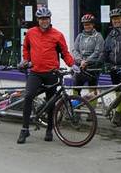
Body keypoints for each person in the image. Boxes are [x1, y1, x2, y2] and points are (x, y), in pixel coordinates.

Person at [17, 7, 77, 144]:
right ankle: (24, 129)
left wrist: (72, 64)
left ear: (50, 19)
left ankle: (49, 130)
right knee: (28, 96)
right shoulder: (31, 33)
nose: (44, 21)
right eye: (41, 19)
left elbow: (65, 53)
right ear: (38, 20)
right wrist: (26, 59)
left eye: (46, 18)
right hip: (35, 72)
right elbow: (25, 47)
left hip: (51, 73)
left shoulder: (57, 35)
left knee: (51, 102)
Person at [72, 14, 104, 108]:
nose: (87, 26)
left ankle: (92, 110)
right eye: (85, 24)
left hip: (93, 67)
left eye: (89, 24)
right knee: (76, 88)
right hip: (80, 67)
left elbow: (98, 52)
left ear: (93, 24)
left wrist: (87, 61)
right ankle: (76, 109)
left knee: (92, 89)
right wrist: (80, 60)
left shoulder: (98, 36)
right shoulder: (80, 36)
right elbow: (75, 50)